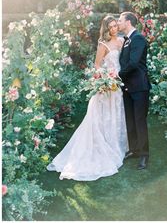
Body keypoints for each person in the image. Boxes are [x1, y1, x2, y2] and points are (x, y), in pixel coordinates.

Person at [47, 15, 128, 181]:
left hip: (119, 85)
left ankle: (119, 145)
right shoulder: (103, 45)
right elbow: (97, 66)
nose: (114, 29)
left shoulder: (121, 41)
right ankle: (104, 146)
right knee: (103, 117)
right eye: (110, 27)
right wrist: (106, 78)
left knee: (118, 114)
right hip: (108, 84)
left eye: (115, 26)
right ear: (106, 29)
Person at [118, 12, 151, 170]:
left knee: (139, 121)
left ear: (128, 22)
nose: (118, 23)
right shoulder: (127, 40)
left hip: (139, 87)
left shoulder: (138, 38)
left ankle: (144, 155)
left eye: (120, 20)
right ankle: (134, 150)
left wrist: (116, 75)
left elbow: (133, 63)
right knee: (130, 120)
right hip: (127, 87)